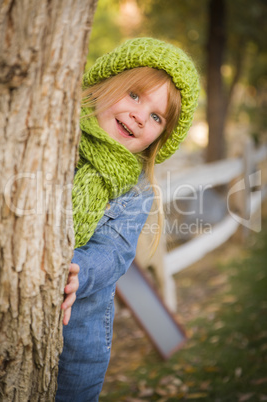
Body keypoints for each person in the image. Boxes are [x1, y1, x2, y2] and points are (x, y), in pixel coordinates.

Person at [56, 37, 200, 401]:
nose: (139, 116)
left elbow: (116, 252)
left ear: (158, 139)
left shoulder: (135, 191)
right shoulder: (55, 142)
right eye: (134, 95)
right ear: (107, 81)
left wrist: (79, 270)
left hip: (78, 343)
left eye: (156, 117)